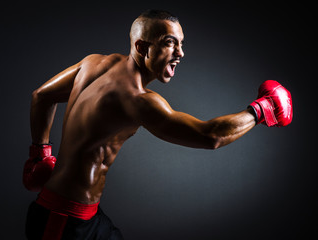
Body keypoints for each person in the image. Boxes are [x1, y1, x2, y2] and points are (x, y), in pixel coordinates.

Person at [23, 9, 293, 240]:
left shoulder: (92, 63)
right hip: (63, 223)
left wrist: (40, 154)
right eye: (170, 43)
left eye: (181, 44)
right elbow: (210, 135)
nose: (180, 53)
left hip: (82, 217)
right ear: (142, 47)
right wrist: (262, 109)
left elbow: (42, 96)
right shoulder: (137, 100)